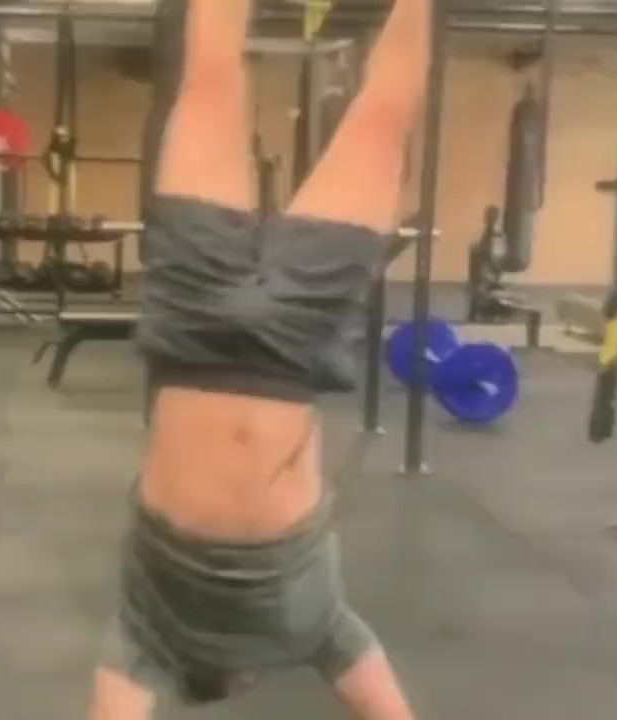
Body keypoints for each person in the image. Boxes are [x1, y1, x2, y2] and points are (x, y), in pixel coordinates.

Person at [89, 0, 430, 718]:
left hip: (240, 342)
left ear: (227, 682)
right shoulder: (298, 631)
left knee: (372, 116)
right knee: (221, 80)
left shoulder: (151, 634)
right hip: (230, 341)